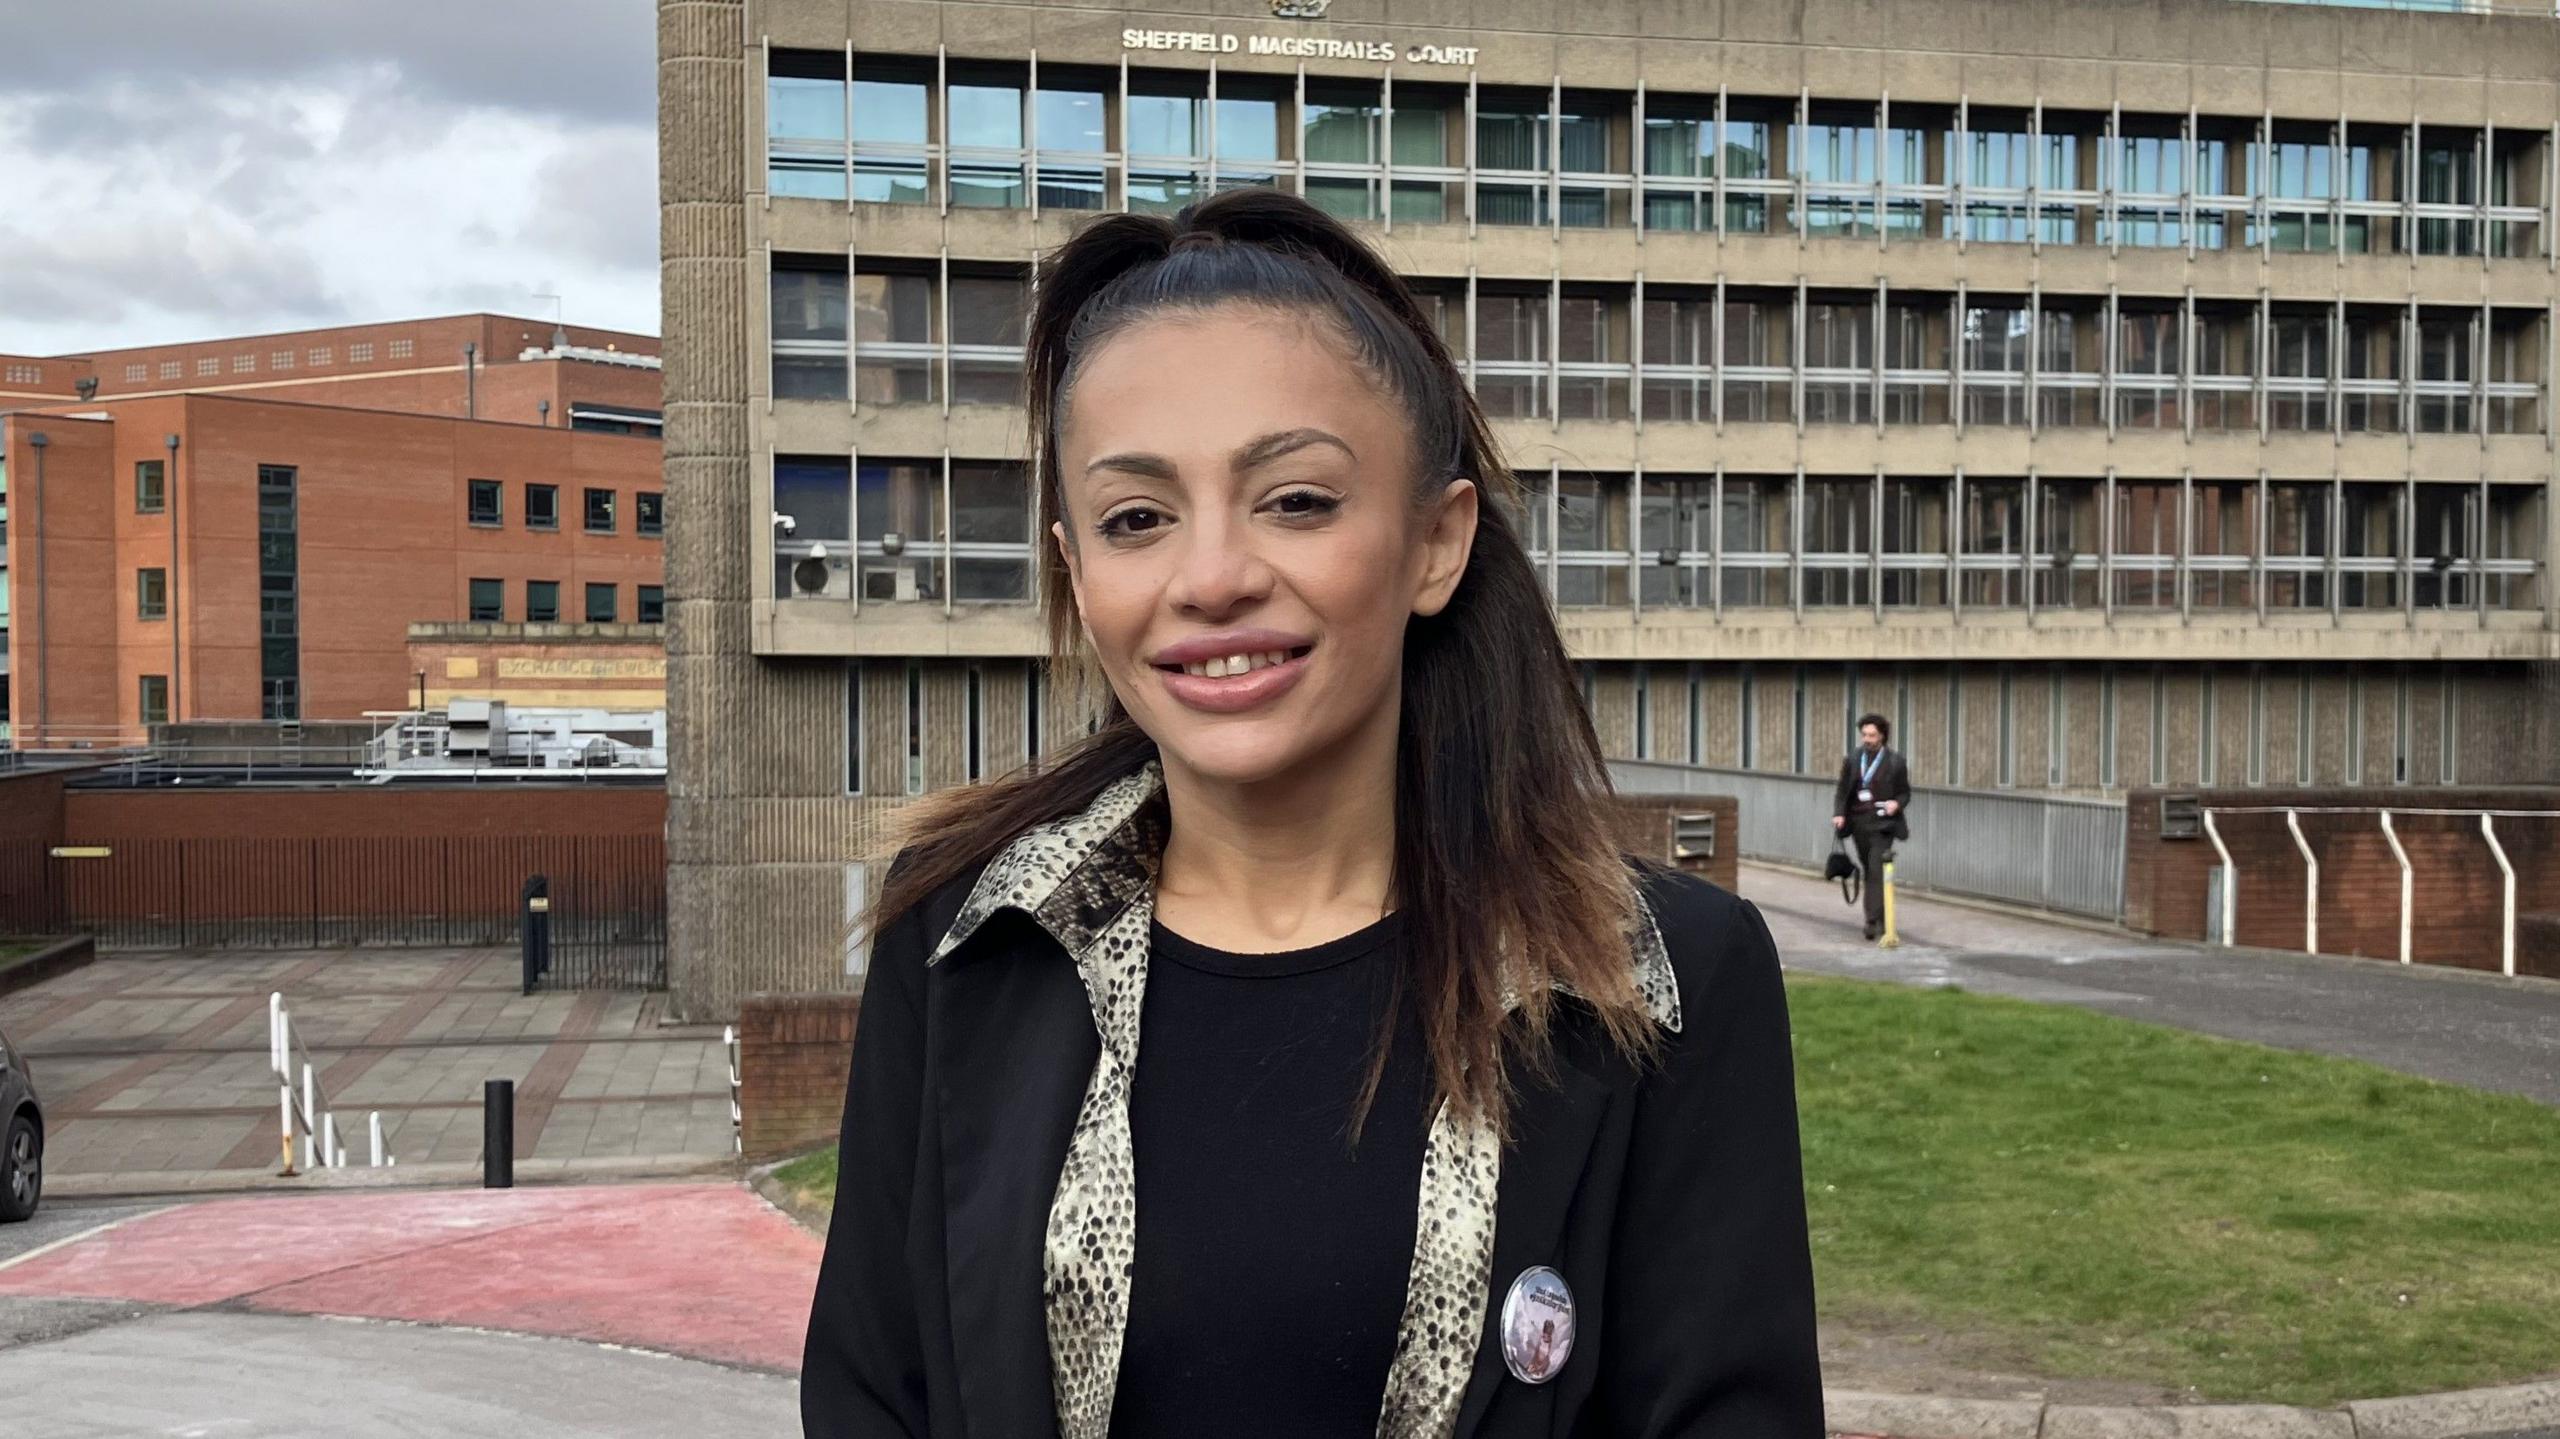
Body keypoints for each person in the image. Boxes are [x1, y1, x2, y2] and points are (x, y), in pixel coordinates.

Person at [800, 188, 1822, 1439]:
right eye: (1137, 519)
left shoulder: (1649, 978)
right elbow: (872, 1396)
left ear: (1436, 542)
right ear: (1076, 571)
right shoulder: (966, 936)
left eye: (1296, 499)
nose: (1212, 575)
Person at [1831, 715, 1912, 942]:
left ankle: (1871, 921)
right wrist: (1839, 814)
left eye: (1872, 735)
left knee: (1876, 869)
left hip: (1883, 824)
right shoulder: (1854, 759)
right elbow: (1842, 789)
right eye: (1864, 735)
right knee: (1870, 870)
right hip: (1859, 823)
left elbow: (1905, 792)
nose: (1867, 739)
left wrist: (1897, 803)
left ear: (1882, 736)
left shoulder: (1895, 762)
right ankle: (1884, 917)